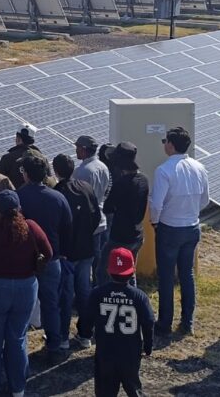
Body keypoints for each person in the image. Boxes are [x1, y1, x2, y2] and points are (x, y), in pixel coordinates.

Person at [0, 190, 53, 397]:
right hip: (25, 288)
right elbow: (49, 253)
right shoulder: (31, 228)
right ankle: (18, 387)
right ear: (19, 208)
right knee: (17, 337)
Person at [151, 126, 210, 337]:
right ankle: (188, 321)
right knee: (187, 274)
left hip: (169, 228)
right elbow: (205, 199)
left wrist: (155, 223)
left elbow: (156, 204)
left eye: (165, 141)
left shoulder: (164, 170)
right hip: (192, 227)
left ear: (171, 145)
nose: (164, 144)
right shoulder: (199, 167)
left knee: (166, 277)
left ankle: (164, 323)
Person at [16, 153, 73, 364]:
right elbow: (67, 228)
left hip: (24, 260)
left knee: (21, 305)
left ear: (26, 174)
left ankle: (17, 347)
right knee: (51, 304)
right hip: (52, 259)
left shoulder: (18, 197)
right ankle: (54, 345)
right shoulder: (58, 197)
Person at [81, 248, 155, 397]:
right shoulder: (139, 296)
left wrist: (85, 334)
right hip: (130, 353)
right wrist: (148, 345)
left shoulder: (97, 293)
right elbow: (149, 322)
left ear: (109, 270)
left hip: (105, 352)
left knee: (105, 391)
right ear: (132, 270)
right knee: (134, 387)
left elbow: (86, 318)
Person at [52, 152, 101, 350]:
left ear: (56, 171)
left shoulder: (58, 192)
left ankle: (63, 337)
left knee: (66, 295)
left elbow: (57, 224)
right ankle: (85, 334)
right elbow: (96, 216)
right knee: (85, 292)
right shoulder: (86, 187)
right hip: (86, 250)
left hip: (67, 253)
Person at [100, 143, 149, 288]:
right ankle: (131, 297)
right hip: (138, 235)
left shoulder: (122, 184)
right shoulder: (144, 180)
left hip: (120, 237)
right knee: (129, 270)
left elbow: (108, 207)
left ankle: (104, 298)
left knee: (104, 269)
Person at [72, 135, 111, 286]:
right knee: (101, 262)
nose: (76, 150)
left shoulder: (82, 172)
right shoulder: (103, 167)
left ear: (83, 150)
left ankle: (92, 292)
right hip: (102, 219)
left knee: (88, 262)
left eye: (77, 148)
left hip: (89, 223)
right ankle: (100, 287)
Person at [0, 125, 41, 189]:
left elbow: (0, 182)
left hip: (14, 197)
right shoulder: (41, 158)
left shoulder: (6, 158)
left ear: (18, 139)